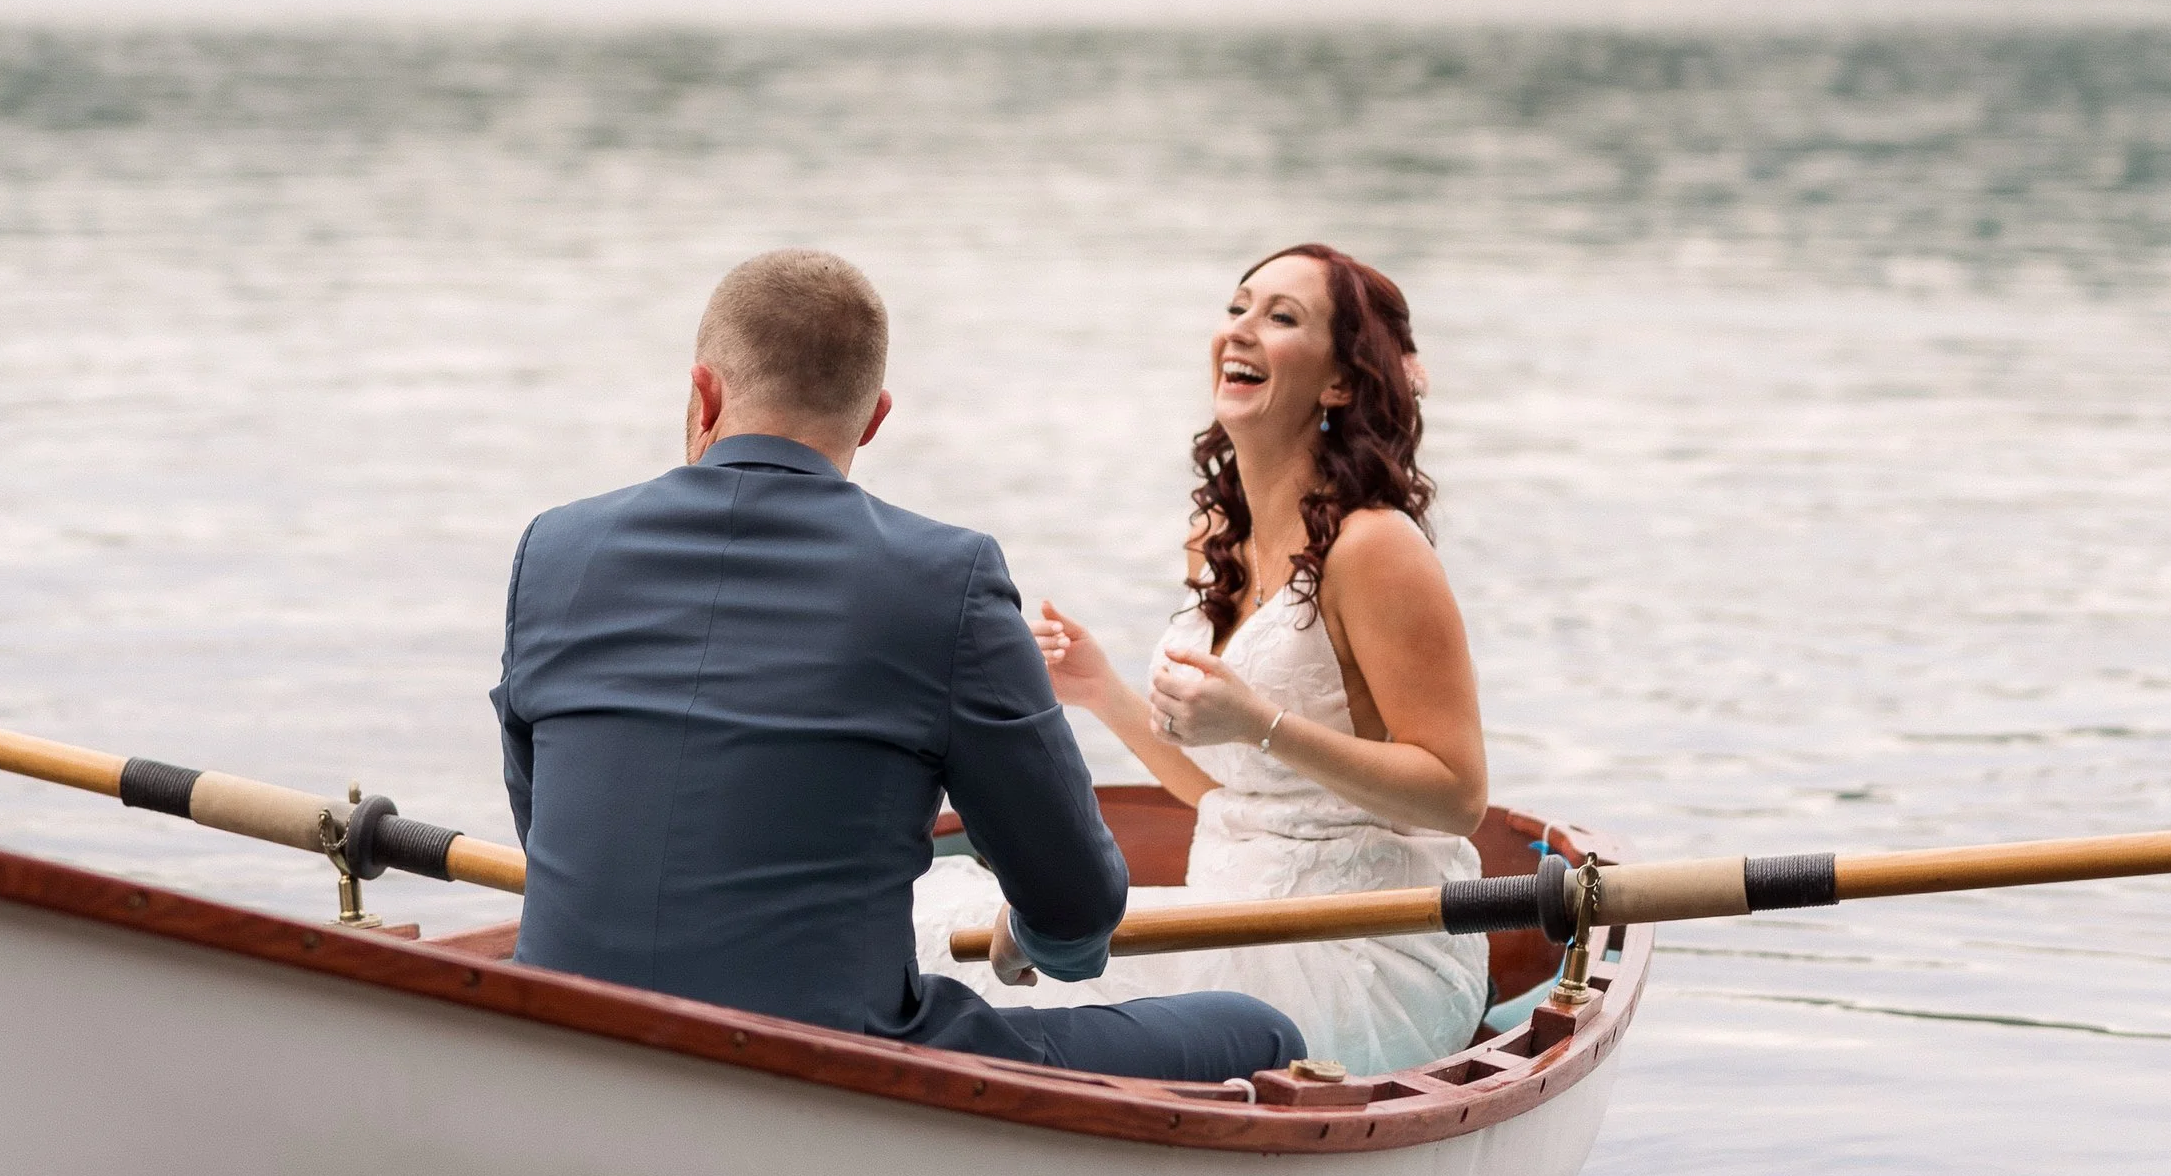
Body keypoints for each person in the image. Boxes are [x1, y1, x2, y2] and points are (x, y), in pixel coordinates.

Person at [492, 249, 1303, 1084]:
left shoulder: (554, 549)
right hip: (835, 1056)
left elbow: (543, 824)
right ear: (874, 419)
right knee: (1262, 1031)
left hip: (565, 1022)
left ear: (703, 393)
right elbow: (1075, 904)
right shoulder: (945, 579)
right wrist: (1052, 947)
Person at [949, 242, 1491, 1075]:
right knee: (927, 920)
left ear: (1340, 382)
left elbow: (1458, 795)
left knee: (1043, 995)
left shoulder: (1377, 549)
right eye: (1237, 307)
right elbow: (1232, 794)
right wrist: (1100, 690)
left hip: (1360, 955)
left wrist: (1261, 722)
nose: (1240, 330)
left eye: (1281, 318)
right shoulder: (1217, 540)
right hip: (1225, 911)